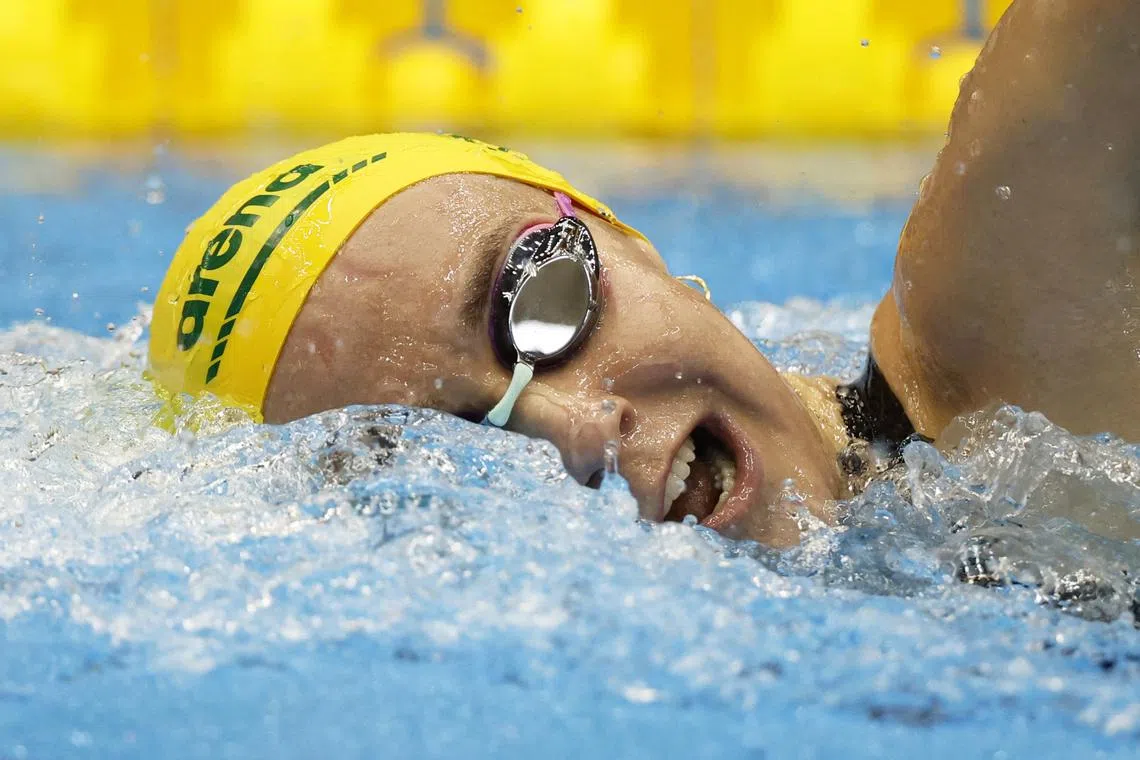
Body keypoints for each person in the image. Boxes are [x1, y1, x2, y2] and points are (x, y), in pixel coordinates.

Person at [149, 0, 1140, 547]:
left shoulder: (1017, 351)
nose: (577, 433)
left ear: (628, 239)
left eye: (539, 304)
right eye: (446, 452)